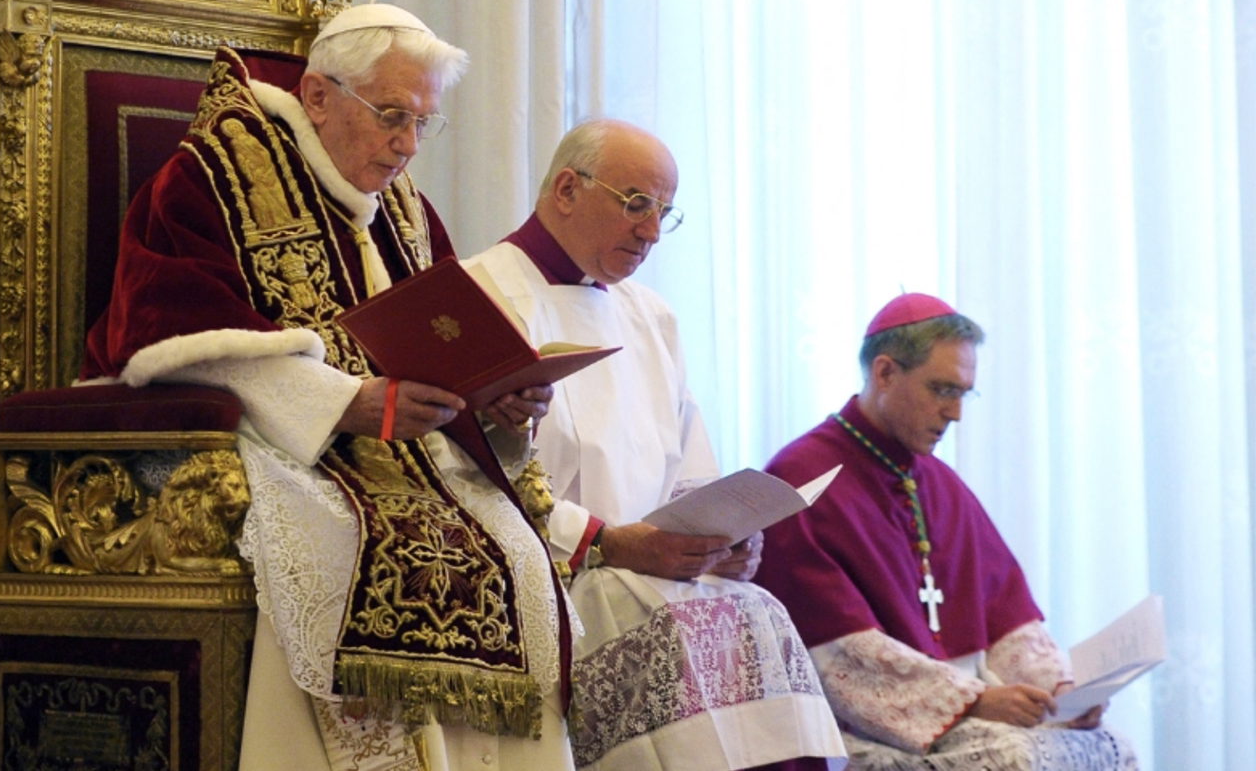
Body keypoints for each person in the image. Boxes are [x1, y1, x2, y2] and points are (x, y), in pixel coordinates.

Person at [81, 4, 572, 770]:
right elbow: (163, 337)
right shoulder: (208, 176)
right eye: (390, 116)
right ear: (317, 97)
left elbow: (451, 339)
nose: (407, 146)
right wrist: (344, 401)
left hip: (407, 453)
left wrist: (496, 402)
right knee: (333, 541)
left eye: (421, 123)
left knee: (517, 549)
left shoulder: (404, 208)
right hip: (284, 444)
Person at [463, 119, 845, 771]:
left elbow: (689, 472)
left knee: (759, 612)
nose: (651, 232)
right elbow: (470, 477)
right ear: (565, 189)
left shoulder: (650, 314)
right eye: (637, 203)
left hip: (654, 577)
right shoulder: (479, 294)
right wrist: (607, 541)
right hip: (554, 580)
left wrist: (722, 539)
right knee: (657, 626)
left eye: (665, 212)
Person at [756, 294, 1136, 770]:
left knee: (1109, 746)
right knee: (1013, 759)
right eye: (942, 390)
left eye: (963, 393)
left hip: (959, 719)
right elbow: (836, 654)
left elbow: (1009, 622)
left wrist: (1060, 696)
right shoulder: (803, 479)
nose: (955, 413)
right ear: (885, 373)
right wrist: (973, 701)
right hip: (861, 734)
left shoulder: (940, 484)